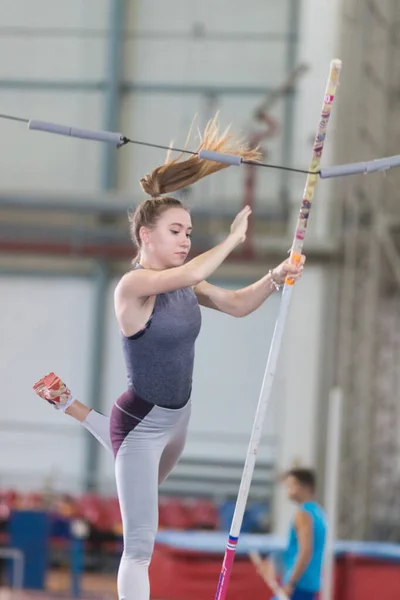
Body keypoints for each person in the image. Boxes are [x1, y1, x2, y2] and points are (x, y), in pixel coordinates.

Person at [33, 116, 305, 600]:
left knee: (121, 450)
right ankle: (72, 406)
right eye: (177, 231)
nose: (186, 240)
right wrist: (232, 240)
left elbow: (238, 305)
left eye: (190, 232)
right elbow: (195, 269)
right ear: (145, 237)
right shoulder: (133, 287)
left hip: (178, 420)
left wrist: (276, 274)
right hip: (141, 425)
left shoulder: (188, 282)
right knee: (139, 546)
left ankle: (70, 404)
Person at [252, 468, 327, 600]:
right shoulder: (318, 513)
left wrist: (290, 583)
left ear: (305, 487)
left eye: (291, 485)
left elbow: (305, 552)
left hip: (299, 584)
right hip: (309, 583)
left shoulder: (303, 514)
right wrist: (273, 565)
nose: (288, 489)